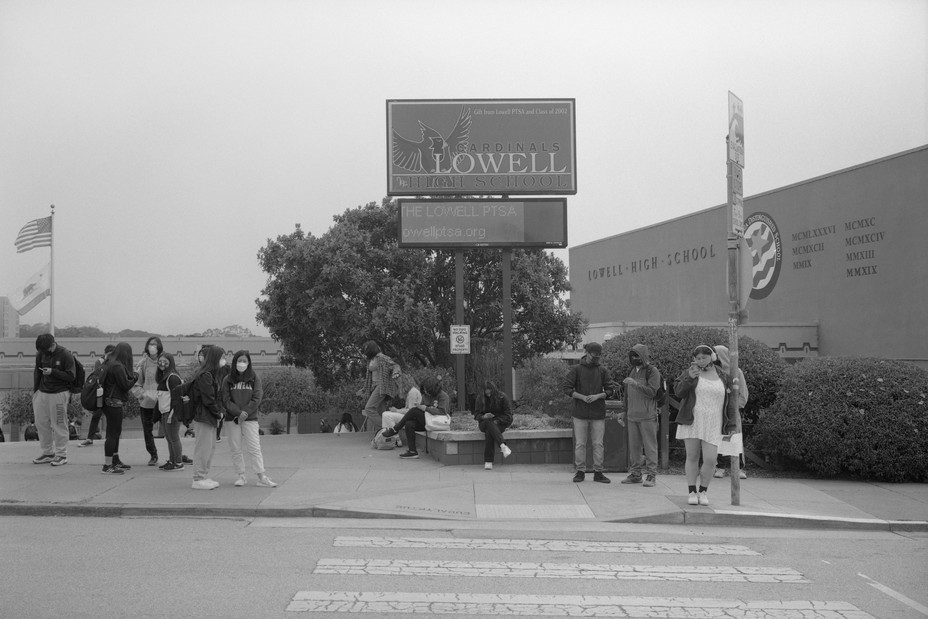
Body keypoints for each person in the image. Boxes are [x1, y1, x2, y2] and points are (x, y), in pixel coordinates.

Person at [673, 344, 738, 506]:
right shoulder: (689, 373)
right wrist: (689, 377)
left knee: (710, 459)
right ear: (694, 359)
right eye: (698, 358)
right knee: (692, 456)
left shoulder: (723, 376)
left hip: (714, 422)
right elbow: (679, 392)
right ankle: (692, 491)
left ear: (713, 357)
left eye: (704, 357)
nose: (701, 361)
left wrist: (731, 425)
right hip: (693, 420)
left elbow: (730, 403)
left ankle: (703, 490)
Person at [222, 350, 277, 488]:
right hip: (232, 418)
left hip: (250, 418)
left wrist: (245, 412)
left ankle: (261, 476)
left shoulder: (254, 378)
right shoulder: (227, 380)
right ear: (234, 362)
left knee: (254, 447)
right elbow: (225, 399)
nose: (242, 363)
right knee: (235, 448)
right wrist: (238, 412)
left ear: (249, 362)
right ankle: (241, 475)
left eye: (244, 361)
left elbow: (257, 397)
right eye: (239, 361)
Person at [562, 342, 613, 483]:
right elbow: (567, 388)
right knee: (580, 444)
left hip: (598, 412)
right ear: (587, 353)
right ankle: (580, 471)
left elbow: (610, 390)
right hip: (580, 412)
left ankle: (598, 472)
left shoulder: (602, 370)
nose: (596, 358)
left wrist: (598, 396)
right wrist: (582, 397)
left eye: (598, 355)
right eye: (594, 355)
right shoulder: (576, 370)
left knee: (598, 444)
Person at [31, 333, 76, 467]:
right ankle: (47, 453)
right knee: (41, 423)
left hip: (59, 393)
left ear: (52, 345)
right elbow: (37, 373)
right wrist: (35, 393)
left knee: (59, 424)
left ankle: (61, 454)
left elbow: (71, 376)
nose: (43, 353)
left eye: (45, 350)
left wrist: (53, 372)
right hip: (42, 392)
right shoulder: (41, 353)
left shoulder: (65, 355)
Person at [620, 344, 662, 487]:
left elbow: (652, 392)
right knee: (634, 447)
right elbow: (627, 395)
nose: (634, 358)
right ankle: (636, 474)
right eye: (632, 356)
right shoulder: (632, 371)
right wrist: (624, 411)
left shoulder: (652, 371)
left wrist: (635, 383)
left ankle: (651, 475)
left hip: (647, 416)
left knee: (650, 447)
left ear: (643, 356)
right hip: (632, 416)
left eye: (637, 355)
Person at [380, 375, 449, 459]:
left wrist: (426, 408)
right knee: (409, 423)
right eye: (424, 390)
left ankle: (395, 429)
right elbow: (422, 409)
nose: (425, 392)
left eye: (427, 390)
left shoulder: (443, 396)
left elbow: (442, 412)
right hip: (426, 421)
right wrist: (421, 407)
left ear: (432, 388)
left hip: (436, 423)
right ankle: (412, 451)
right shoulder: (425, 395)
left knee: (414, 410)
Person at [99, 342, 138, 474]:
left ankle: (115, 460)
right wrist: (135, 377)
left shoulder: (109, 362)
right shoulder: (117, 366)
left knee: (115, 433)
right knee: (112, 434)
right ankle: (108, 465)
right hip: (114, 402)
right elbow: (125, 385)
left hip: (108, 402)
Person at [190, 345, 224, 489]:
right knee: (203, 448)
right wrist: (218, 413)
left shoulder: (210, 374)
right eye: (222, 357)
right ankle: (198, 478)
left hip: (209, 416)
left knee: (210, 447)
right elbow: (208, 398)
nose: (223, 360)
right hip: (204, 416)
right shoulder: (205, 375)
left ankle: (203, 475)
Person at [713, 345, 749, 479]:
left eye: (715, 354)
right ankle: (720, 466)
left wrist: (733, 407)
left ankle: (738, 468)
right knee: (717, 438)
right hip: (716, 411)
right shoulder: (713, 372)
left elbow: (743, 394)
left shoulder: (737, 372)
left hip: (732, 412)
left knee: (734, 437)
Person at [358, 340, 401, 431]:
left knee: (369, 408)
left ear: (371, 348)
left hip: (381, 386)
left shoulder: (381, 357)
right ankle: (391, 435)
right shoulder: (370, 359)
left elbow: (395, 365)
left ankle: (385, 431)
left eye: (366, 349)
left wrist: (395, 372)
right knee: (381, 412)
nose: (365, 351)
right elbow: (369, 376)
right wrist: (365, 388)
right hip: (374, 387)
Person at [134, 336, 163, 466]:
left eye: (155, 345)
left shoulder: (164, 362)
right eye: (150, 344)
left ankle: (176, 455)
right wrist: (142, 395)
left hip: (162, 402)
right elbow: (136, 383)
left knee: (170, 430)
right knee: (147, 430)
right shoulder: (143, 363)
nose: (153, 347)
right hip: (146, 403)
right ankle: (153, 454)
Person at [79, 344, 115, 447]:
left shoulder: (116, 362)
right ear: (105, 353)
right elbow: (98, 376)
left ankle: (110, 438)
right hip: (101, 393)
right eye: (110, 354)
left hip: (111, 393)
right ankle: (90, 438)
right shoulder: (99, 362)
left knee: (112, 416)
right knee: (96, 415)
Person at [155, 352, 185, 471]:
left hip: (171, 412)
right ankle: (172, 460)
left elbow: (177, 398)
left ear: (170, 363)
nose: (162, 364)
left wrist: (172, 414)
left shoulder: (172, 377)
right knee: (169, 437)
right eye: (160, 361)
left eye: (165, 362)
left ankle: (178, 462)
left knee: (173, 437)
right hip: (165, 411)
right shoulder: (164, 377)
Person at [473, 380, 513, 470]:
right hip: (484, 422)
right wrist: (483, 416)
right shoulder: (480, 398)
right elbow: (476, 415)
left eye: (490, 392)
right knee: (488, 422)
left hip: (500, 422)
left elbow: (509, 416)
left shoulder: (502, 397)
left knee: (489, 431)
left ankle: (488, 461)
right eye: (486, 393)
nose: (488, 394)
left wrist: (497, 421)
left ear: (493, 390)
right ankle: (502, 445)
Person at [381, 373, 421, 446]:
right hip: (410, 416)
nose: (398, 386)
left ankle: (396, 438)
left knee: (386, 415)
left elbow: (411, 411)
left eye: (398, 384)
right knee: (386, 414)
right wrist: (397, 410)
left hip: (412, 418)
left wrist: (396, 410)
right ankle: (393, 438)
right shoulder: (411, 391)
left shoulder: (412, 393)